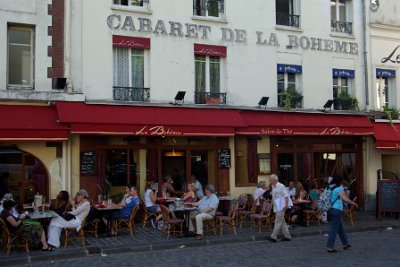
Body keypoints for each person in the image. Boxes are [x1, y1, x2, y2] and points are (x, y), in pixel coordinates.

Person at [326, 176, 358, 253]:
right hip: (337, 210)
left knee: (340, 228)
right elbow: (345, 199)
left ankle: (345, 244)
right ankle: (329, 247)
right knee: (334, 229)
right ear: (340, 181)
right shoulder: (339, 189)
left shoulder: (330, 187)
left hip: (331, 209)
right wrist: (354, 203)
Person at [267, 174, 292, 242]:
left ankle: (273, 237)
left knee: (277, 221)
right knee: (282, 221)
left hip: (281, 206)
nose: (269, 180)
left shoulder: (281, 186)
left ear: (274, 180)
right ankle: (287, 236)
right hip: (277, 206)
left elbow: (286, 196)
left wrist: (286, 205)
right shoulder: (273, 186)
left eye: (270, 179)